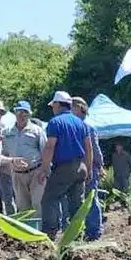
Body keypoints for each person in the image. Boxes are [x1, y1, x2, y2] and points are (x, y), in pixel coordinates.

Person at [38, 91, 92, 238]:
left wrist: (44, 170)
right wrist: (89, 168)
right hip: (80, 167)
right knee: (76, 204)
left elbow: (50, 147)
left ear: (57, 105)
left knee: (49, 199)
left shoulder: (55, 122)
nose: (52, 108)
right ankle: (77, 235)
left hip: (64, 168)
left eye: (53, 105)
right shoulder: (80, 123)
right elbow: (88, 147)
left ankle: (50, 233)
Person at [3, 101, 46, 218]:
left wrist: (44, 171)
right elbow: (0, 155)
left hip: (36, 173)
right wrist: (12, 160)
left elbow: (45, 152)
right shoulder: (6, 132)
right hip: (17, 174)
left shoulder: (37, 131)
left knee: (37, 205)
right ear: (15, 113)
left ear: (29, 114)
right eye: (19, 112)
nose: (21, 115)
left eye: (25, 112)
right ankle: (26, 235)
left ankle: (39, 233)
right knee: (22, 207)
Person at [72, 96, 104, 240]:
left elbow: (95, 152)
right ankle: (89, 231)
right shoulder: (85, 127)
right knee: (87, 200)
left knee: (90, 199)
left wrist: (98, 166)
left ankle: (93, 231)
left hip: (87, 168)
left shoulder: (87, 128)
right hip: (79, 168)